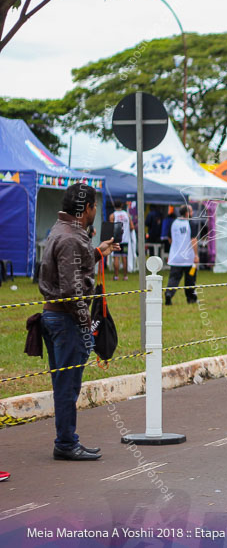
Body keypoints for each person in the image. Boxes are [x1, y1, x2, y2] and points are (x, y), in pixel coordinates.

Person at [39, 183, 119, 460]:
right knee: (67, 385)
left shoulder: (62, 230)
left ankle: (66, 440)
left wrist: (98, 252)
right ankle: (65, 444)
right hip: (66, 320)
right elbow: (72, 290)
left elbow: (71, 268)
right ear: (87, 208)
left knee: (65, 382)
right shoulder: (72, 237)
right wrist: (87, 323)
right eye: (94, 206)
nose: (95, 211)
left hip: (56, 316)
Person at [165, 205, 199, 305]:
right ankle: (191, 298)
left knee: (173, 279)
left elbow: (169, 238)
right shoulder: (191, 223)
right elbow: (193, 240)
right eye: (191, 211)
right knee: (190, 279)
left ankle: (169, 294)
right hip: (188, 257)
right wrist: (196, 255)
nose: (192, 213)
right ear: (187, 213)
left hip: (175, 257)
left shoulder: (174, 223)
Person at [109, 202, 133, 281]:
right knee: (124, 257)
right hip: (125, 240)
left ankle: (116, 276)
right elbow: (132, 227)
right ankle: (125, 276)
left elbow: (111, 228)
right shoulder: (127, 215)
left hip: (116, 240)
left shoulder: (113, 215)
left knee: (116, 257)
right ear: (122, 205)